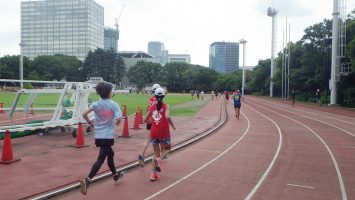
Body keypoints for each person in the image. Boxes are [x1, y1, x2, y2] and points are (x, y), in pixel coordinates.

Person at [80, 82, 125, 195]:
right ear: (109, 93)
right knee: (101, 159)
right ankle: (88, 179)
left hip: (99, 136)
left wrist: (90, 122)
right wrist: (117, 122)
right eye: (112, 91)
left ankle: (115, 175)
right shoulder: (114, 104)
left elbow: (84, 114)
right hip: (107, 136)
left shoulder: (96, 104)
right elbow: (119, 118)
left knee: (110, 155)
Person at [144, 88, 176, 181]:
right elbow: (167, 116)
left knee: (155, 153)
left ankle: (153, 174)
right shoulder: (166, 106)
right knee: (168, 148)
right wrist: (173, 126)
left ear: (155, 95)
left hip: (154, 132)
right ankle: (160, 159)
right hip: (164, 132)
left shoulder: (152, 106)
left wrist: (153, 122)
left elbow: (144, 120)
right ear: (164, 96)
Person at [138, 83, 160, 167]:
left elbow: (148, 109)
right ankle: (156, 159)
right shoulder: (159, 100)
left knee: (148, 139)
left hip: (149, 121)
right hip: (156, 122)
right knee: (157, 142)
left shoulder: (150, 99)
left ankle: (142, 154)